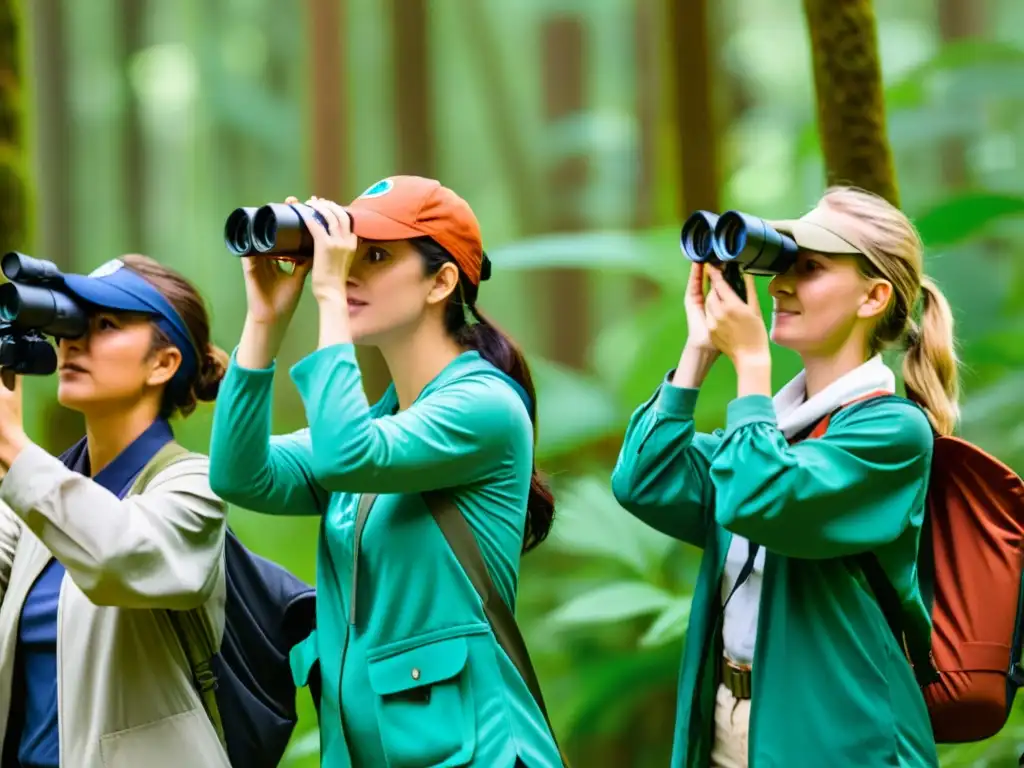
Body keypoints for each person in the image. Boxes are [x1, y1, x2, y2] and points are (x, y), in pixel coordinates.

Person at [208, 175, 563, 767]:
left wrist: (327, 302)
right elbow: (242, 476)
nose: (347, 271)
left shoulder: (484, 406)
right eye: (346, 252)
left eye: (374, 255)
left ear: (442, 281)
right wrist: (265, 321)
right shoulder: (379, 424)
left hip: (474, 755)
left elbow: (351, 455)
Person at [612, 186, 958, 767]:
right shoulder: (774, 431)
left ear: (873, 297)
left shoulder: (893, 435)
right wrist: (698, 350)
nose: (779, 285)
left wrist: (750, 366)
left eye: (810, 267)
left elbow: (765, 499)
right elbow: (645, 479)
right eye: (781, 263)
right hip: (731, 722)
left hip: (839, 737)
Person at [0, 255, 231, 768]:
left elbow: (118, 557)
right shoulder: (37, 497)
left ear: (163, 363)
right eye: (73, 323)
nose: (74, 341)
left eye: (105, 325)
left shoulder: (195, 487)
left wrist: (12, 446)